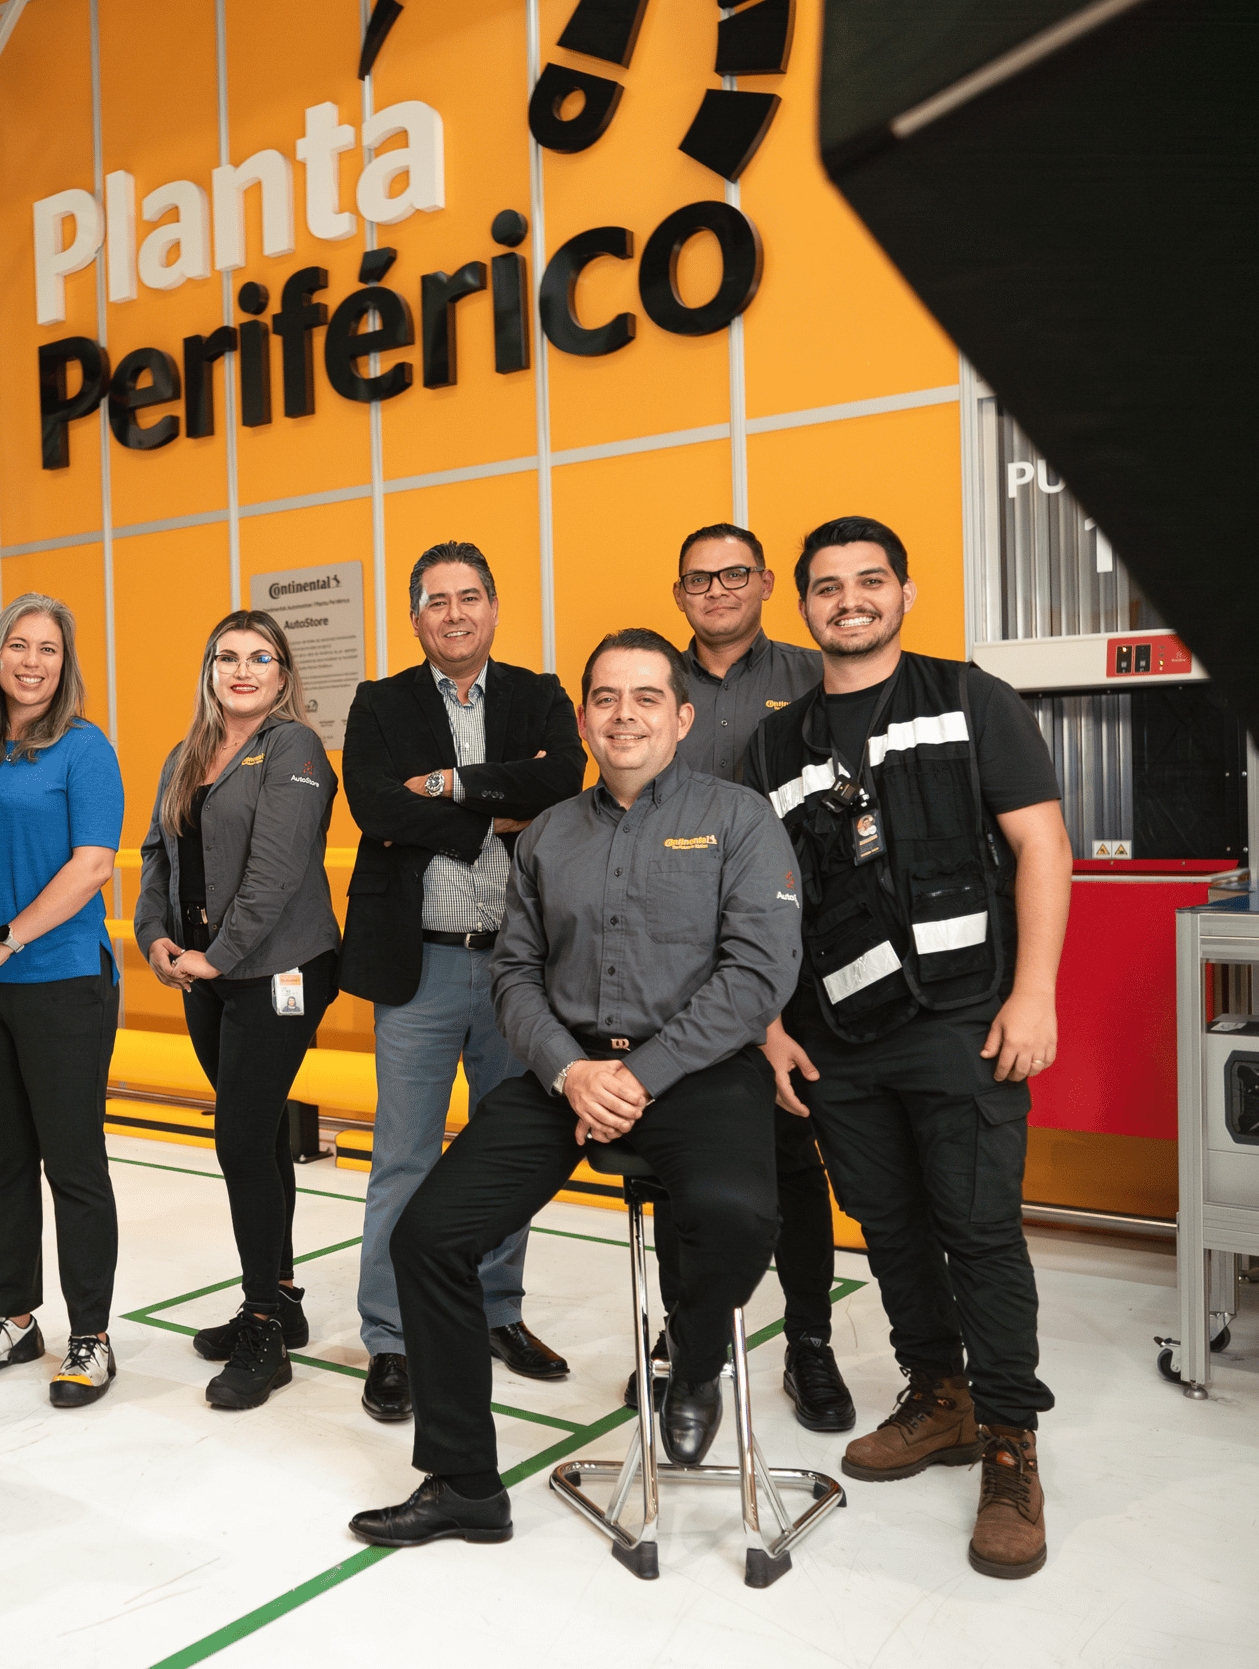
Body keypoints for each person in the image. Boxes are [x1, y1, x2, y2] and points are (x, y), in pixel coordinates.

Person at [350, 630, 800, 1549]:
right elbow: (515, 973)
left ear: (681, 716)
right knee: (429, 1236)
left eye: (645, 698)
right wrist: (568, 1068)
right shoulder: (550, 833)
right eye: (605, 698)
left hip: (701, 1072)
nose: (624, 714)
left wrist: (644, 1072)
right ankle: (464, 1483)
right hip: (571, 1072)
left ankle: (696, 1363)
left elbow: (758, 974)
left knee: (739, 1213)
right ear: (586, 719)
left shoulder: (741, 818)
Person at [742, 515, 1071, 1581]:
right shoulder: (775, 743)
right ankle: (940, 1396)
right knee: (887, 1229)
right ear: (805, 607)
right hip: (837, 1036)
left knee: (977, 1228)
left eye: (869, 581)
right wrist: (771, 1023)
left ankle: (1012, 1442)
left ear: (904, 593)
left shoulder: (971, 698)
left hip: (962, 1018)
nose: (850, 599)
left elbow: (1041, 845)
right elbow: (762, 896)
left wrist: (1034, 994)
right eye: (829, 586)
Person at [339, 542, 585, 1424]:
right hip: (421, 963)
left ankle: (497, 1312)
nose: (454, 614)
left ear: (493, 606)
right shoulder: (381, 702)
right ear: (415, 617)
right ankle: (392, 1337)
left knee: (505, 1153)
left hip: (519, 967)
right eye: (436, 601)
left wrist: (448, 789)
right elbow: (374, 805)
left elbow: (563, 779)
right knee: (403, 1155)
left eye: (469, 597)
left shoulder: (538, 695)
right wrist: (492, 814)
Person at [644, 523, 855, 1433]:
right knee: (679, 1160)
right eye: (699, 578)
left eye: (735, 574)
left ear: (768, 583)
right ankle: (684, 1336)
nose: (718, 590)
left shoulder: (812, 677)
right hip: (675, 966)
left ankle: (807, 1339)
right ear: (679, 592)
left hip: (793, 958)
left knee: (794, 1159)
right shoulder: (652, 684)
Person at [135, 609, 341, 1411]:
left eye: (261, 658)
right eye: (228, 657)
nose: (244, 670)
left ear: (284, 676)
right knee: (253, 1136)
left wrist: (216, 957)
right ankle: (281, 1299)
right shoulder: (185, 756)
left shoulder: (293, 748)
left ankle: (262, 1327)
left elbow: (278, 870)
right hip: (203, 971)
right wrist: (155, 936)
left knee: (239, 1139)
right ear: (210, 670)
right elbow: (159, 853)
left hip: (277, 969)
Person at [0, 594, 124, 1408]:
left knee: (72, 1163)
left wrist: (5, 940)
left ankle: (91, 1335)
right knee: (5, 1162)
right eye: (20, 645)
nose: (33, 661)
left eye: (49, 647)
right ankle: (14, 1316)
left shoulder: (85, 750)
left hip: (62, 980)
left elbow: (93, 866)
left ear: (64, 661)